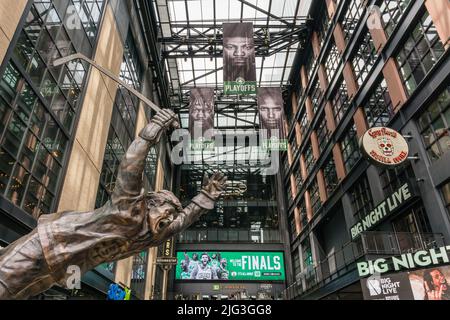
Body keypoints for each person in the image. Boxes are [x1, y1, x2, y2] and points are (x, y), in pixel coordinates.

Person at [0, 109, 227, 300]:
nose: (169, 218)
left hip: (60, 268)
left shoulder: (156, 233)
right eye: (167, 211)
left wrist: (206, 197)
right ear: (151, 202)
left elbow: (185, 218)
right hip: (49, 243)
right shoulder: (130, 207)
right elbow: (131, 164)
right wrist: (155, 127)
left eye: (171, 216)